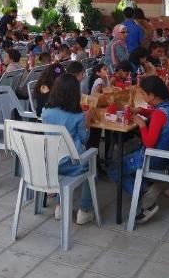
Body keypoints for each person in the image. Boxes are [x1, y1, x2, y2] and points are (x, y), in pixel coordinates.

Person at [108, 75, 169, 223]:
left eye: (143, 93)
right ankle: (148, 186)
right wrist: (141, 110)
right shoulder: (168, 105)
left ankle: (146, 198)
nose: (141, 96)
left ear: (152, 95)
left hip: (153, 159)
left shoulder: (159, 114)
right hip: (167, 155)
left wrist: (141, 124)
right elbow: (155, 115)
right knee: (128, 152)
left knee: (114, 169)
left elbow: (149, 143)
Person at [41, 73, 96, 225]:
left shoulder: (46, 112)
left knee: (62, 157)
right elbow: (84, 140)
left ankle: (60, 206)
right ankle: (84, 210)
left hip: (51, 163)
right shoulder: (77, 116)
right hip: (72, 164)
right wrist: (87, 122)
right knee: (91, 166)